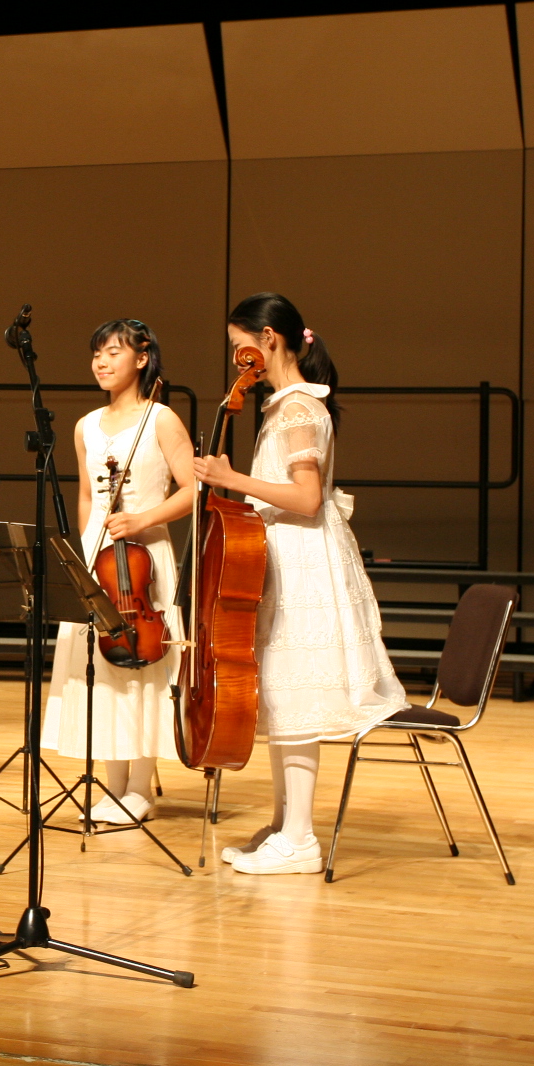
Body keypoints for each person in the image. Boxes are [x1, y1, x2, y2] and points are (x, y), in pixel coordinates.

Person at [193, 293, 407, 874]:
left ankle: (301, 839)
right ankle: (284, 824)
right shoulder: (286, 405)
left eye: (240, 345)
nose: (236, 358)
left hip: (302, 561)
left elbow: (308, 498)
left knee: (295, 695)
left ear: (269, 338)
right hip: (283, 556)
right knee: (281, 695)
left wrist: (232, 478)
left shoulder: (297, 409)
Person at [43, 320, 196, 825]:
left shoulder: (161, 419)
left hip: (145, 556)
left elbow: (194, 490)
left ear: (142, 358)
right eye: (97, 354)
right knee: (101, 668)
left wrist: (142, 519)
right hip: (100, 556)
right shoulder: (85, 425)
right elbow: (88, 496)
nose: (102, 363)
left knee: (145, 666)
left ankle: (140, 789)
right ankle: (113, 787)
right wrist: (85, 551)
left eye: (113, 352)